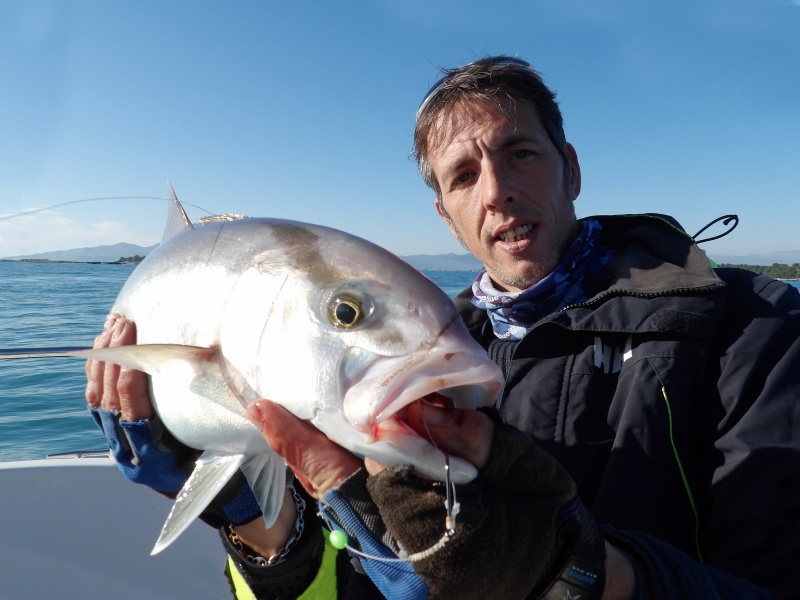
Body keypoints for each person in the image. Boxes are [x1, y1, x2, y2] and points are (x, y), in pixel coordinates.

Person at [86, 56, 800, 599]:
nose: (498, 191)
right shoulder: (374, 374)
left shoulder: (751, 326)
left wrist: (573, 576)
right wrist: (248, 519)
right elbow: (355, 585)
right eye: (462, 176)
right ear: (444, 214)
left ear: (570, 169)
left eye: (520, 153)